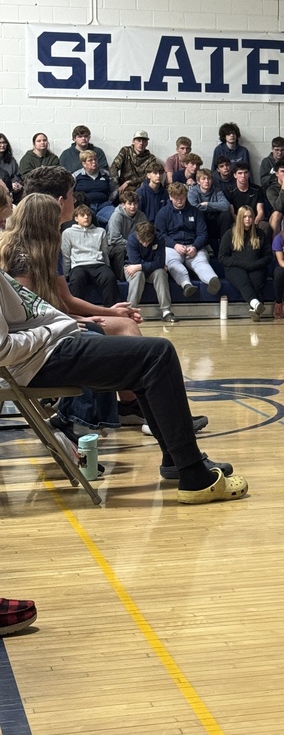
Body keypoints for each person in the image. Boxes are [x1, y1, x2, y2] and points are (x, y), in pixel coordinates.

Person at [0, 196, 246, 504]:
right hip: (43, 356)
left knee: (145, 360)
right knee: (159, 354)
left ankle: (178, 461)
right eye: (3, 216)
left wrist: (75, 320)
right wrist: (58, 328)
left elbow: (31, 314)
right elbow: (4, 347)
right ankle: (194, 474)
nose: (6, 227)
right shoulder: (20, 257)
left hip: (51, 344)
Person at [155, 182, 222, 297]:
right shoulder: (163, 213)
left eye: (182, 197)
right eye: (176, 198)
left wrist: (195, 247)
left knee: (201, 263)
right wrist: (174, 245)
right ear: (170, 197)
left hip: (193, 245)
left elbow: (203, 233)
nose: (180, 200)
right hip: (173, 247)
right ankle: (186, 284)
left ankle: (212, 280)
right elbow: (160, 235)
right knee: (172, 263)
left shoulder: (196, 212)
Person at [60, 204, 121, 306]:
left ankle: (110, 310)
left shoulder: (100, 231)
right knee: (77, 279)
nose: (86, 217)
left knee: (109, 277)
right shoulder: (68, 233)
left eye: (88, 215)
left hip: (98, 264)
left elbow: (105, 252)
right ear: (76, 218)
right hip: (79, 265)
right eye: (82, 215)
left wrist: (108, 267)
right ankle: (79, 312)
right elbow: (66, 255)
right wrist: (66, 274)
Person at [218, 206, 272, 319]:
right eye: (244, 217)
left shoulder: (260, 233)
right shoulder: (229, 234)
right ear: (239, 218)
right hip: (234, 267)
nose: (247, 219)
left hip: (255, 266)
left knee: (257, 278)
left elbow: (268, 256)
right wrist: (242, 264)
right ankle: (256, 304)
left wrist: (255, 264)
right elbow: (222, 257)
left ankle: (255, 310)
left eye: (250, 216)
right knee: (242, 279)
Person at [125, 220, 175, 322]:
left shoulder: (159, 238)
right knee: (138, 274)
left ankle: (166, 311)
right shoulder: (132, 239)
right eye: (142, 241)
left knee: (161, 273)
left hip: (151, 270)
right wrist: (142, 266)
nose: (144, 244)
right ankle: (130, 311)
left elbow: (160, 263)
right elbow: (134, 262)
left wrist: (140, 266)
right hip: (132, 269)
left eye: (148, 241)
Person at [106, 190, 146, 277]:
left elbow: (145, 234)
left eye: (135, 204)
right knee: (121, 250)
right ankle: (120, 278)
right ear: (123, 204)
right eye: (129, 204)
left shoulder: (142, 216)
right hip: (114, 246)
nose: (133, 207)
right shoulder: (116, 216)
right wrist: (132, 245)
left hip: (136, 244)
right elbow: (114, 239)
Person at [73, 150, 118, 226]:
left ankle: (108, 237)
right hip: (85, 207)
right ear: (84, 163)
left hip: (104, 206)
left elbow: (114, 189)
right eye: (90, 160)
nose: (94, 162)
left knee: (115, 217)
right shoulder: (76, 175)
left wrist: (109, 201)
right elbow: (70, 192)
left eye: (95, 159)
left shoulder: (105, 174)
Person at [188, 167, 232, 245]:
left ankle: (224, 244)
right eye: (203, 179)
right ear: (198, 181)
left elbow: (226, 206)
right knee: (197, 215)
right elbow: (193, 208)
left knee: (226, 214)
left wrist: (208, 204)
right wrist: (216, 207)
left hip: (215, 220)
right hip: (200, 221)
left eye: (209, 179)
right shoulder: (192, 192)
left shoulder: (217, 190)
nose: (207, 181)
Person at [226, 162, 266, 227]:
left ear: (249, 174)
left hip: (254, 222)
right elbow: (232, 213)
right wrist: (243, 224)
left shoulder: (257, 190)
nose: (243, 176)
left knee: (264, 225)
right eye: (240, 173)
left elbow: (261, 212)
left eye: (245, 172)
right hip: (238, 222)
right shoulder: (229, 191)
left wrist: (253, 223)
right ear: (235, 175)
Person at [0, 133, 24, 202]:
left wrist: (16, 184)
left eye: (4, 143)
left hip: (11, 191)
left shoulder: (11, 160)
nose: (2, 145)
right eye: (0, 143)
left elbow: (16, 175)